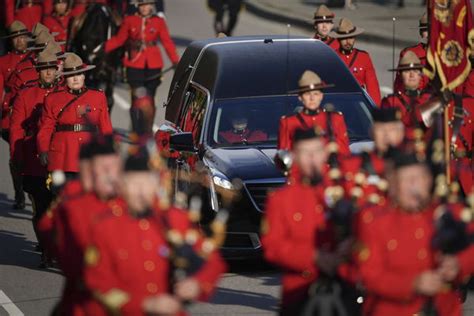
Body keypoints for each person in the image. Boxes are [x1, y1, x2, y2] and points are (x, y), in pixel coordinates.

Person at [83, 143, 226, 315]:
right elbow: (97, 282)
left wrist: (197, 284)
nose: (141, 192)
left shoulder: (175, 219)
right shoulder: (105, 227)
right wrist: (144, 305)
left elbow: (212, 260)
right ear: (121, 186)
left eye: (147, 183)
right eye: (134, 183)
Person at [356, 150, 474, 316]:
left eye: (418, 178)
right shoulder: (374, 222)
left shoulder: (448, 213)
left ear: (428, 181)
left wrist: (457, 265)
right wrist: (412, 284)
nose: (413, 186)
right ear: (393, 187)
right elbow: (369, 275)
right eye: (406, 180)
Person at [263, 128, 351, 315]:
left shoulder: (346, 191)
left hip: (347, 287)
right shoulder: (281, 199)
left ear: (325, 153)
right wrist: (314, 257)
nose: (312, 159)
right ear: (294, 156)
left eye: (317, 151)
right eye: (305, 153)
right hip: (300, 291)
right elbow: (272, 246)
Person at [54, 135, 123, 315]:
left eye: (114, 168)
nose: (111, 175)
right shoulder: (74, 207)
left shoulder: (129, 202)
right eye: (104, 169)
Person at [9, 49, 62, 264]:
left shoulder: (64, 93)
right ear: (38, 71)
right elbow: (16, 131)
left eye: (51, 68)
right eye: (44, 69)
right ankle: (44, 245)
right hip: (34, 158)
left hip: (60, 156)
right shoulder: (25, 95)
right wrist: (17, 156)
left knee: (60, 206)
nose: (48, 73)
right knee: (40, 206)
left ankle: (56, 246)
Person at [37, 53, 113, 180]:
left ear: (84, 76)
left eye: (78, 74)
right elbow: (46, 128)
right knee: (61, 196)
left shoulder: (98, 97)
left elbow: (105, 127)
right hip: (62, 157)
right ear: (65, 78)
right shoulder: (53, 99)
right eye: (71, 76)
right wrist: (43, 149)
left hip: (88, 155)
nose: (75, 79)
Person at [102, 0, 179, 102]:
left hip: (154, 65)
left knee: (150, 98)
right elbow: (118, 40)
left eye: (147, 5)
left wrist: (176, 61)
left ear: (152, 6)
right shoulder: (130, 20)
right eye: (141, 5)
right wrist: (100, 50)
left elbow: (167, 43)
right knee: (137, 99)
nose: (144, 8)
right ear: (137, 6)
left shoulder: (159, 21)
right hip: (134, 64)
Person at [278, 70, 350, 155]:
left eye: (316, 94)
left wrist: (334, 148)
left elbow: (345, 153)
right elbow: (284, 157)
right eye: (307, 94)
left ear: (321, 96)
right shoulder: (288, 122)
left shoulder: (335, 119)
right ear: (300, 97)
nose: (312, 98)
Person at [0, 21, 31, 209]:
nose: (20, 41)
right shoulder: (3, 61)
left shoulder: (36, 58)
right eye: (16, 38)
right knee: (16, 156)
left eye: (23, 36)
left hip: (33, 110)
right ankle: (19, 192)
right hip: (10, 112)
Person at [330, 18, 381, 105]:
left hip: (359, 103)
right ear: (338, 39)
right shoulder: (332, 57)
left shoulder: (363, 57)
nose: (348, 42)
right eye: (344, 38)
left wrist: (376, 111)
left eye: (351, 38)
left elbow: (373, 87)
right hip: (338, 102)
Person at [381, 51, 432, 134]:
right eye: (407, 71)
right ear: (400, 75)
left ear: (420, 75)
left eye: (415, 71)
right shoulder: (390, 101)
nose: (412, 75)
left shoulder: (429, 100)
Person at [395, 13, 429, 91]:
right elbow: (400, 84)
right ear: (420, 33)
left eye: (434, 30)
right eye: (426, 30)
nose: (430, 34)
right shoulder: (410, 53)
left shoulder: (450, 57)